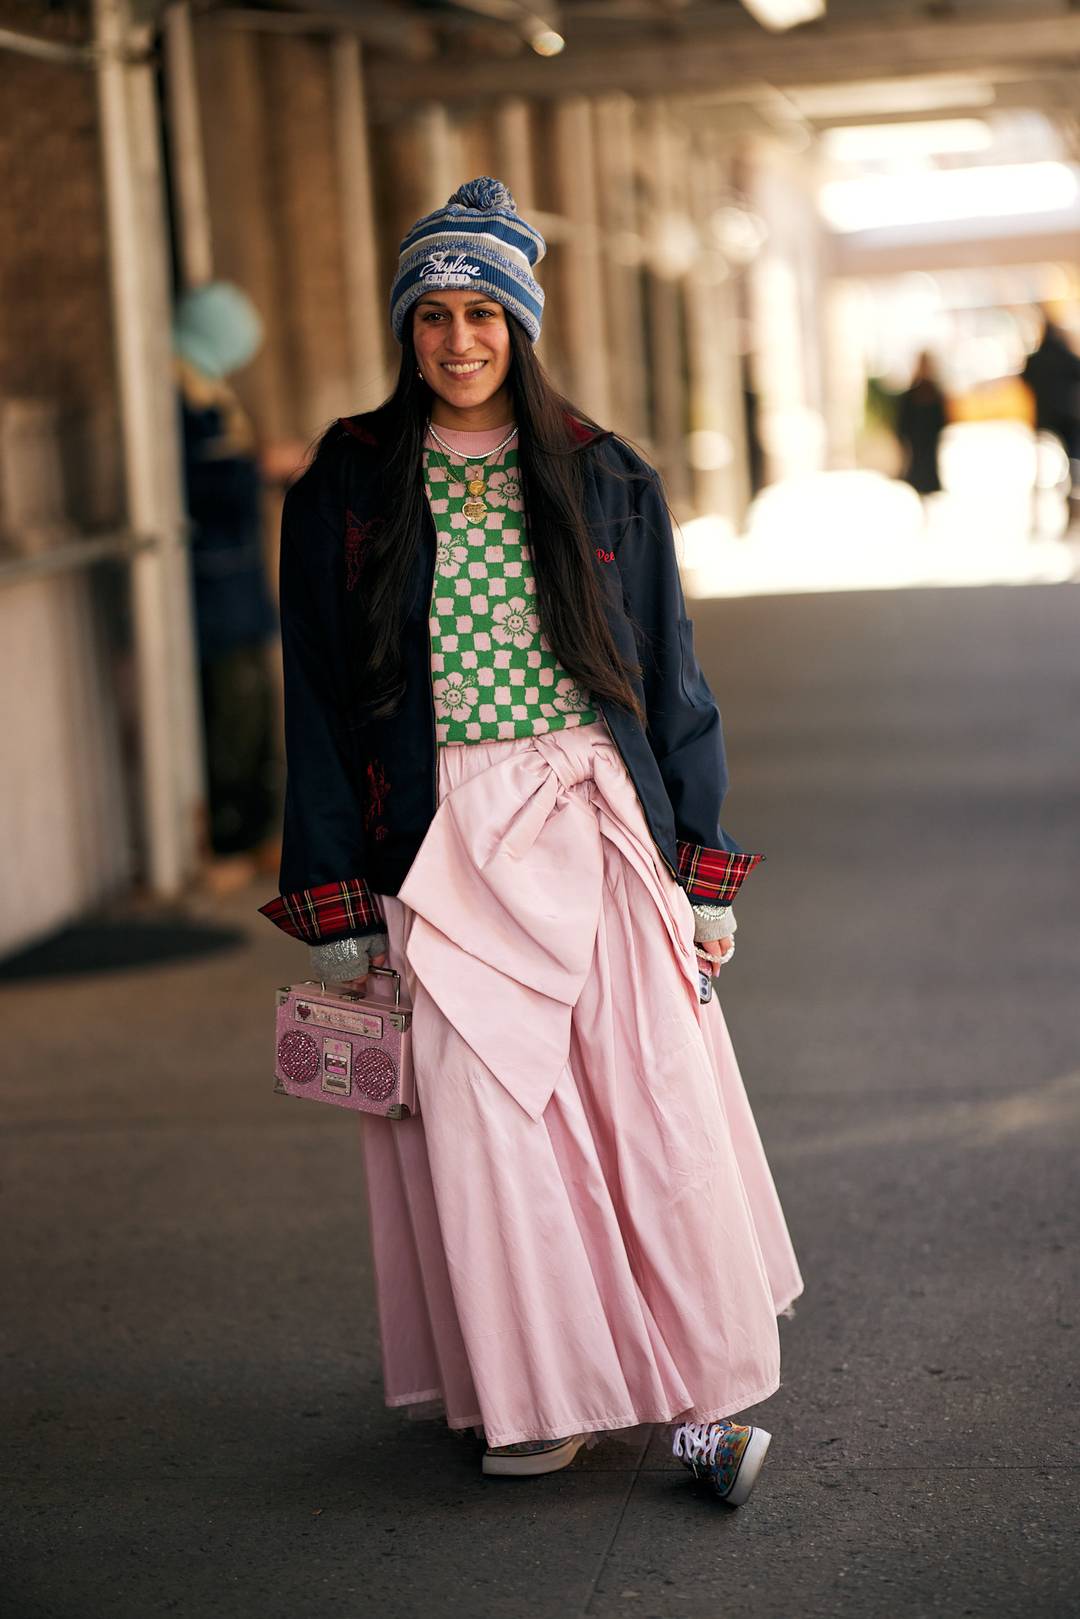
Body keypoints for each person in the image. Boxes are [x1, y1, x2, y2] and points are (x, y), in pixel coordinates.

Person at [258, 178, 802, 1505]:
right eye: (434, 313)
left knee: (644, 1110)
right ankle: (543, 1392)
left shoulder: (604, 472)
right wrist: (334, 904)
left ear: (522, 321)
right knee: (492, 1128)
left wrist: (704, 872)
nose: (458, 339)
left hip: (599, 822)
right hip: (440, 844)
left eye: (484, 310)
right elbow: (320, 703)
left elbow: (672, 679)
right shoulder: (345, 484)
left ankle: (691, 1394)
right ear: (407, 326)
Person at [174, 281, 283, 894]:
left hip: (232, 578)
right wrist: (257, 466)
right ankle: (229, 837)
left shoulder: (203, 385)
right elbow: (193, 480)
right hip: (210, 587)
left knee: (249, 706)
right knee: (228, 709)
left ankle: (253, 832)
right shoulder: (176, 392)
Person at [1021, 309, 1080, 500]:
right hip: (1066, 413)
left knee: (1041, 453)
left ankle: (1040, 487)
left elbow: (1025, 377)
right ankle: (1072, 485)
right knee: (1071, 453)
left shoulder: (1036, 358)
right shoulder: (1064, 355)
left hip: (1044, 414)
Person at [896, 351, 948, 498]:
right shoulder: (912, 393)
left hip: (930, 442)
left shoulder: (934, 392)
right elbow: (903, 420)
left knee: (928, 473)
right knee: (917, 473)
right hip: (916, 442)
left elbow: (941, 417)